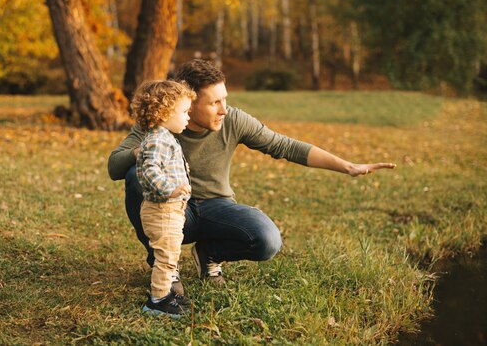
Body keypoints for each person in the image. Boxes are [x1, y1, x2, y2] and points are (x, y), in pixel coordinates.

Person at [108, 59, 396, 295]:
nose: (223, 109)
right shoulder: (158, 125)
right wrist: (144, 151)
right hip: (169, 211)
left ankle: (208, 254)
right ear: (189, 101)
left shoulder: (232, 119)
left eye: (225, 100)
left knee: (267, 240)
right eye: (214, 103)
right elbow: (114, 167)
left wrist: (347, 166)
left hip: (214, 208)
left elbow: (284, 145)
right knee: (136, 176)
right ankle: (163, 267)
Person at [130, 80, 196, 317]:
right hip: (162, 210)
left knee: (170, 254)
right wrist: (170, 189)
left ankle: (166, 293)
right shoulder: (158, 139)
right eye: (185, 112)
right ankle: (157, 301)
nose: (188, 117)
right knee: (166, 258)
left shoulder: (164, 137)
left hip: (169, 210)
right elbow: (149, 171)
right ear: (163, 112)